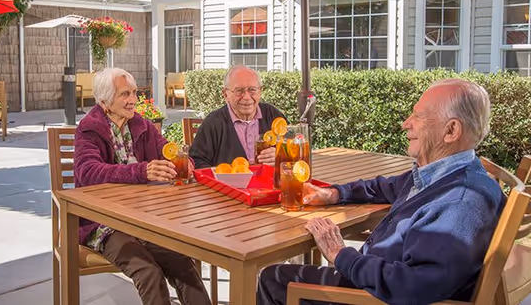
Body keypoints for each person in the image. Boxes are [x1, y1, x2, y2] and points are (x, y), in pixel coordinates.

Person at [257, 78, 505, 305]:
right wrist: (334, 194)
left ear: (451, 131)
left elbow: (413, 286)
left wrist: (341, 255)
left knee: (274, 278)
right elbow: (384, 187)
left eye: (418, 116)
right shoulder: (444, 176)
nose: (405, 124)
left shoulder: (459, 203)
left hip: (375, 295)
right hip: (377, 274)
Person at [74, 67, 211, 305]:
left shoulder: (141, 125)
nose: (133, 101)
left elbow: (169, 149)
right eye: (125, 94)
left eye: (134, 93)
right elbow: (87, 173)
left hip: (144, 220)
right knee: (148, 272)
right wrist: (142, 170)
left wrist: (183, 162)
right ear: (105, 100)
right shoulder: (90, 127)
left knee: (183, 265)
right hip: (104, 223)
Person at [190, 65, 286, 168]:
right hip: (228, 184)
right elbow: (196, 161)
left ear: (260, 91)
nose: (246, 97)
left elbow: (295, 152)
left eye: (252, 90)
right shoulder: (214, 122)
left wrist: (280, 156)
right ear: (225, 94)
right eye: (239, 91)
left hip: (268, 182)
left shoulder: (274, 117)